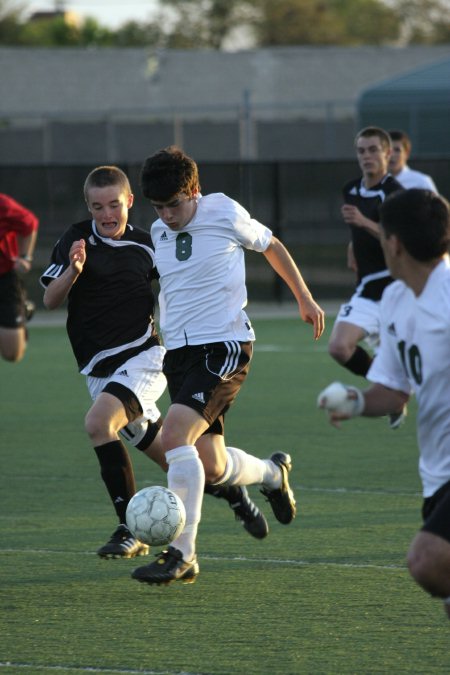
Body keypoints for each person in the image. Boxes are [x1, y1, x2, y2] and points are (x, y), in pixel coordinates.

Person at [40, 165, 269, 560]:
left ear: (129, 202)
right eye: (97, 207)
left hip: (143, 359)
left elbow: (186, 282)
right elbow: (49, 300)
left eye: (114, 204)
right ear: (88, 207)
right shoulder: (75, 240)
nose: (106, 214)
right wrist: (73, 272)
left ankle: (130, 530)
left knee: (98, 423)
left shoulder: (151, 246)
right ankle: (231, 489)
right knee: (178, 460)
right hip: (99, 370)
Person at [131, 145, 325, 586]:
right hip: (179, 355)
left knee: (176, 436)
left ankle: (182, 552)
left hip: (224, 346)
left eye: (174, 204)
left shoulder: (222, 210)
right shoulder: (158, 232)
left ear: (194, 191)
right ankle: (273, 474)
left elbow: (270, 244)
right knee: (212, 465)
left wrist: (304, 297)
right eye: (158, 207)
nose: (166, 215)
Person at [318, 188, 450, 620]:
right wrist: (356, 402)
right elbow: (394, 390)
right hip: (438, 474)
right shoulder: (394, 298)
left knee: (427, 559)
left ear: (391, 243)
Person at [327, 126, 405, 429]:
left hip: (396, 289)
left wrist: (364, 222)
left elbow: (398, 238)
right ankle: (386, 392)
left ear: (387, 153)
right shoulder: (351, 188)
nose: (367, 156)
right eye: (361, 151)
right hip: (367, 288)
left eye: (373, 150)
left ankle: (391, 396)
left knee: (410, 359)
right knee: (339, 348)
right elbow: (359, 231)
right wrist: (352, 243)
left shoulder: (394, 192)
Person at [0, 193, 39, 363]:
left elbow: (29, 223)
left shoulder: (2, 205)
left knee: (12, 354)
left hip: (4, 278)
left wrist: (25, 257)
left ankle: (21, 310)